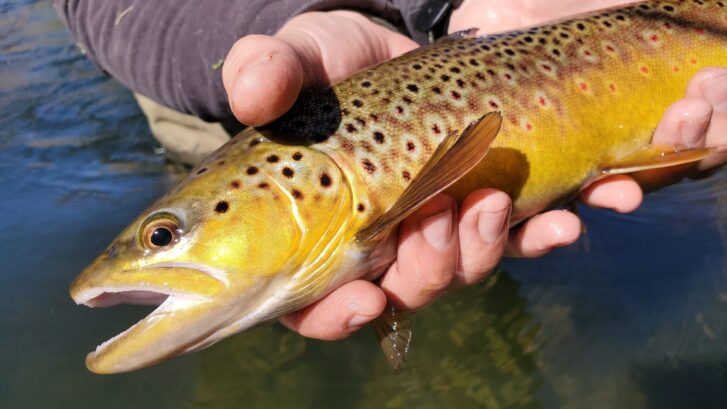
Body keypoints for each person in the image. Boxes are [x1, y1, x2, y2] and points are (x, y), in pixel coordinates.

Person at [54, 0, 727, 341]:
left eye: (163, 238)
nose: (159, 246)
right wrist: (288, 15)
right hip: (247, 78)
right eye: (164, 235)